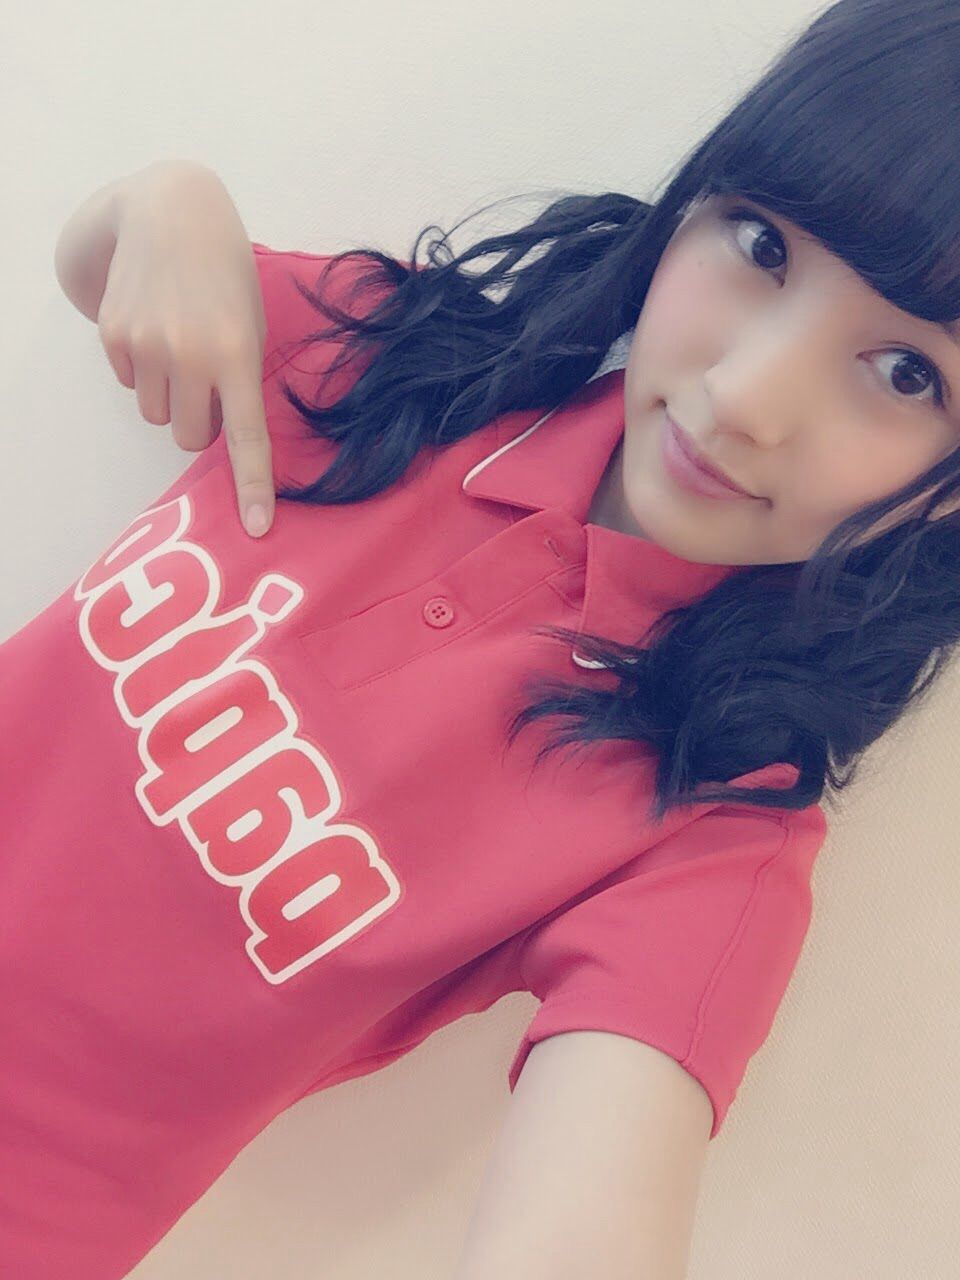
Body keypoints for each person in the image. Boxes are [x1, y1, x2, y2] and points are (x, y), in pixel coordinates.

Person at [8, 0, 960, 1275]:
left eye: (907, 372)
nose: (744, 397)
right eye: (760, 244)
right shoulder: (401, 363)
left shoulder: (707, 828)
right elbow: (108, 285)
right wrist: (159, 200)